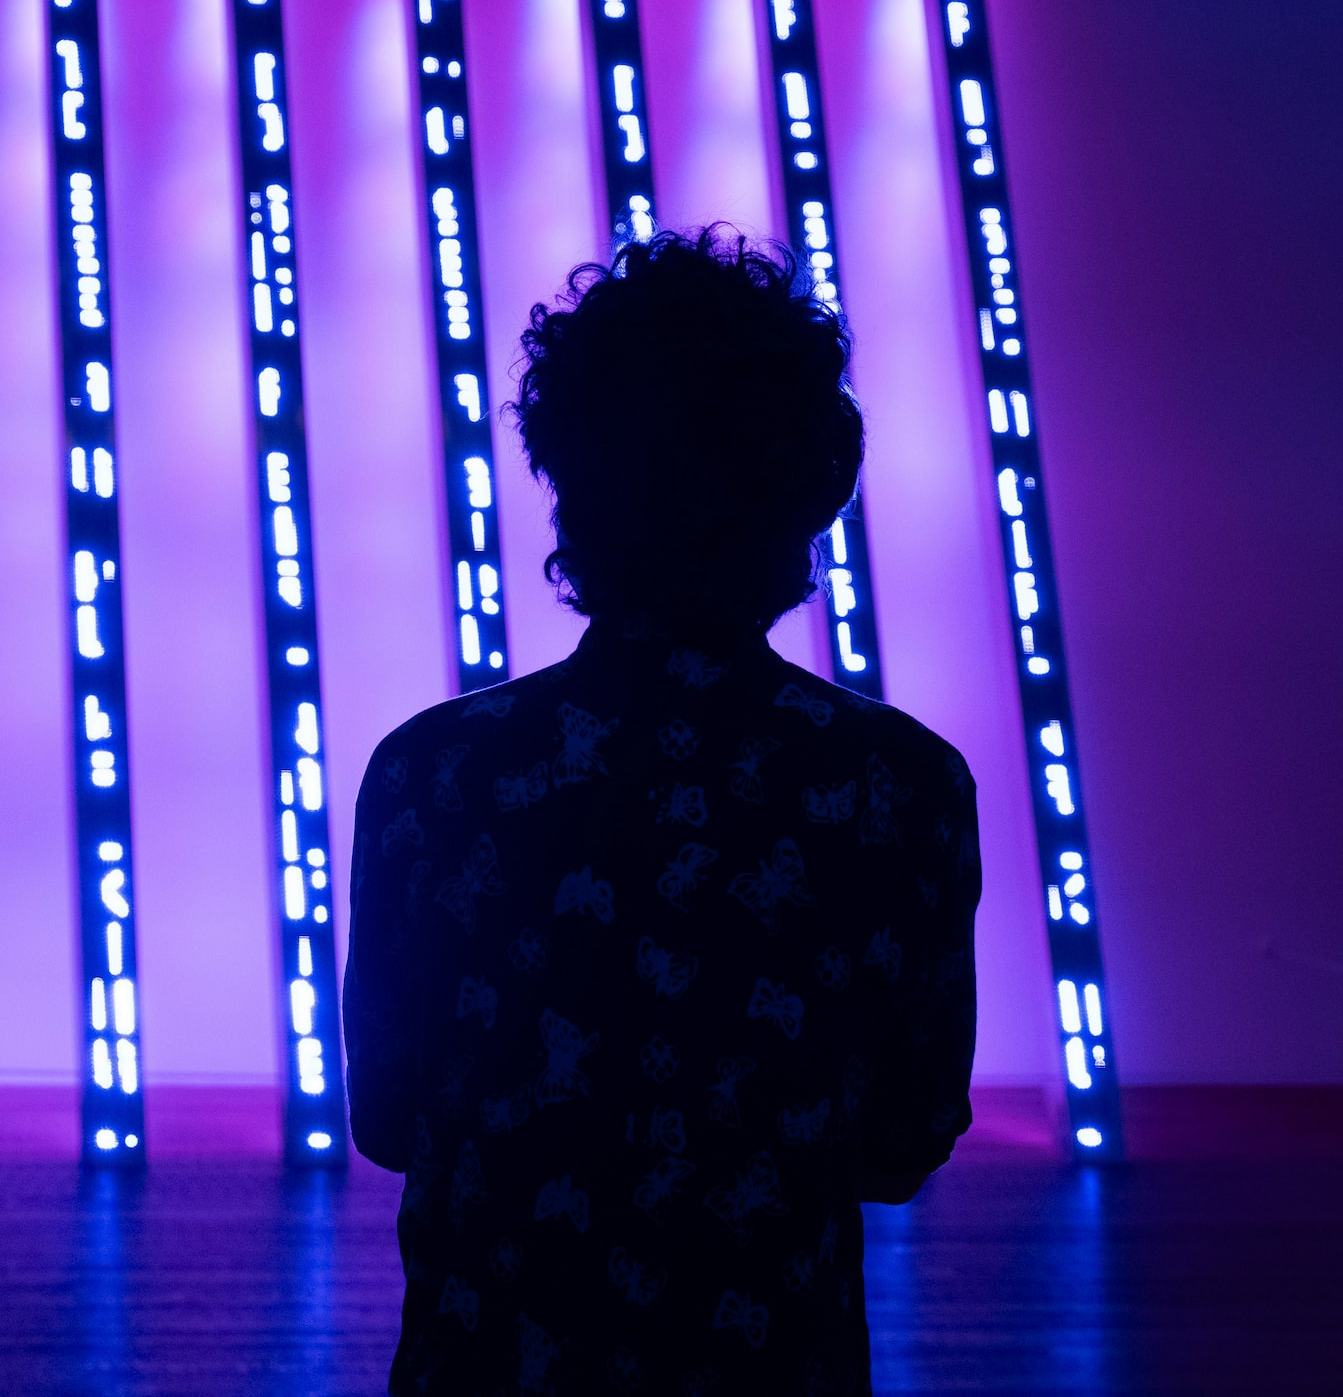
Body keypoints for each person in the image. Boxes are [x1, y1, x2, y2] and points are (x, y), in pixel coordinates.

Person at [343, 228, 981, 1395]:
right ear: (807, 491)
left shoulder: (431, 776)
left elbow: (388, 1119)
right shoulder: (898, 788)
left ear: (568, 482)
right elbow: (898, 1145)